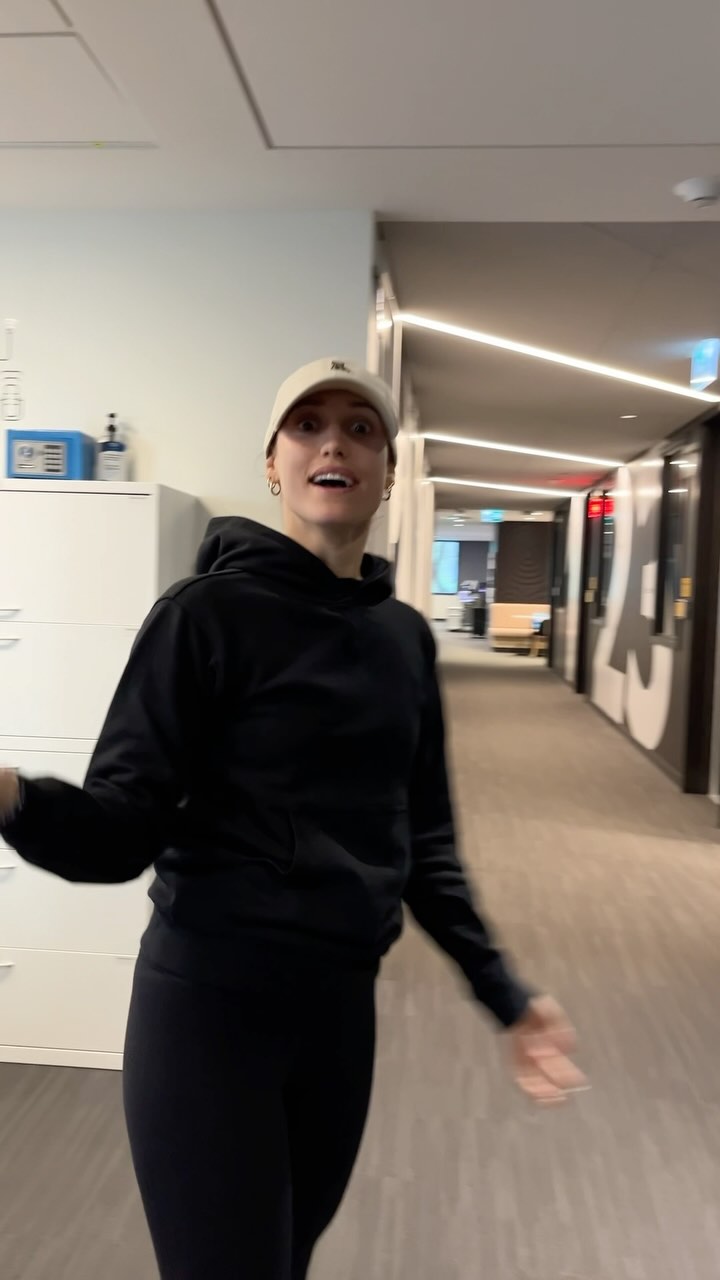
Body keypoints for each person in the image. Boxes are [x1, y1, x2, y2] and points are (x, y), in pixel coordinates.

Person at [0, 357, 584, 1280]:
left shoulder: (402, 640)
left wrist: (504, 992)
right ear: (273, 464)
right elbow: (120, 829)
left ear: (387, 470)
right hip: (208, 1010)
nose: (333, 445)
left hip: (339, 1015)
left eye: (361, 429)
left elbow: (426, 848)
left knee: (285, 1259)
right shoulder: (202, 617)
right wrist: (14, 797)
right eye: (308, 426)